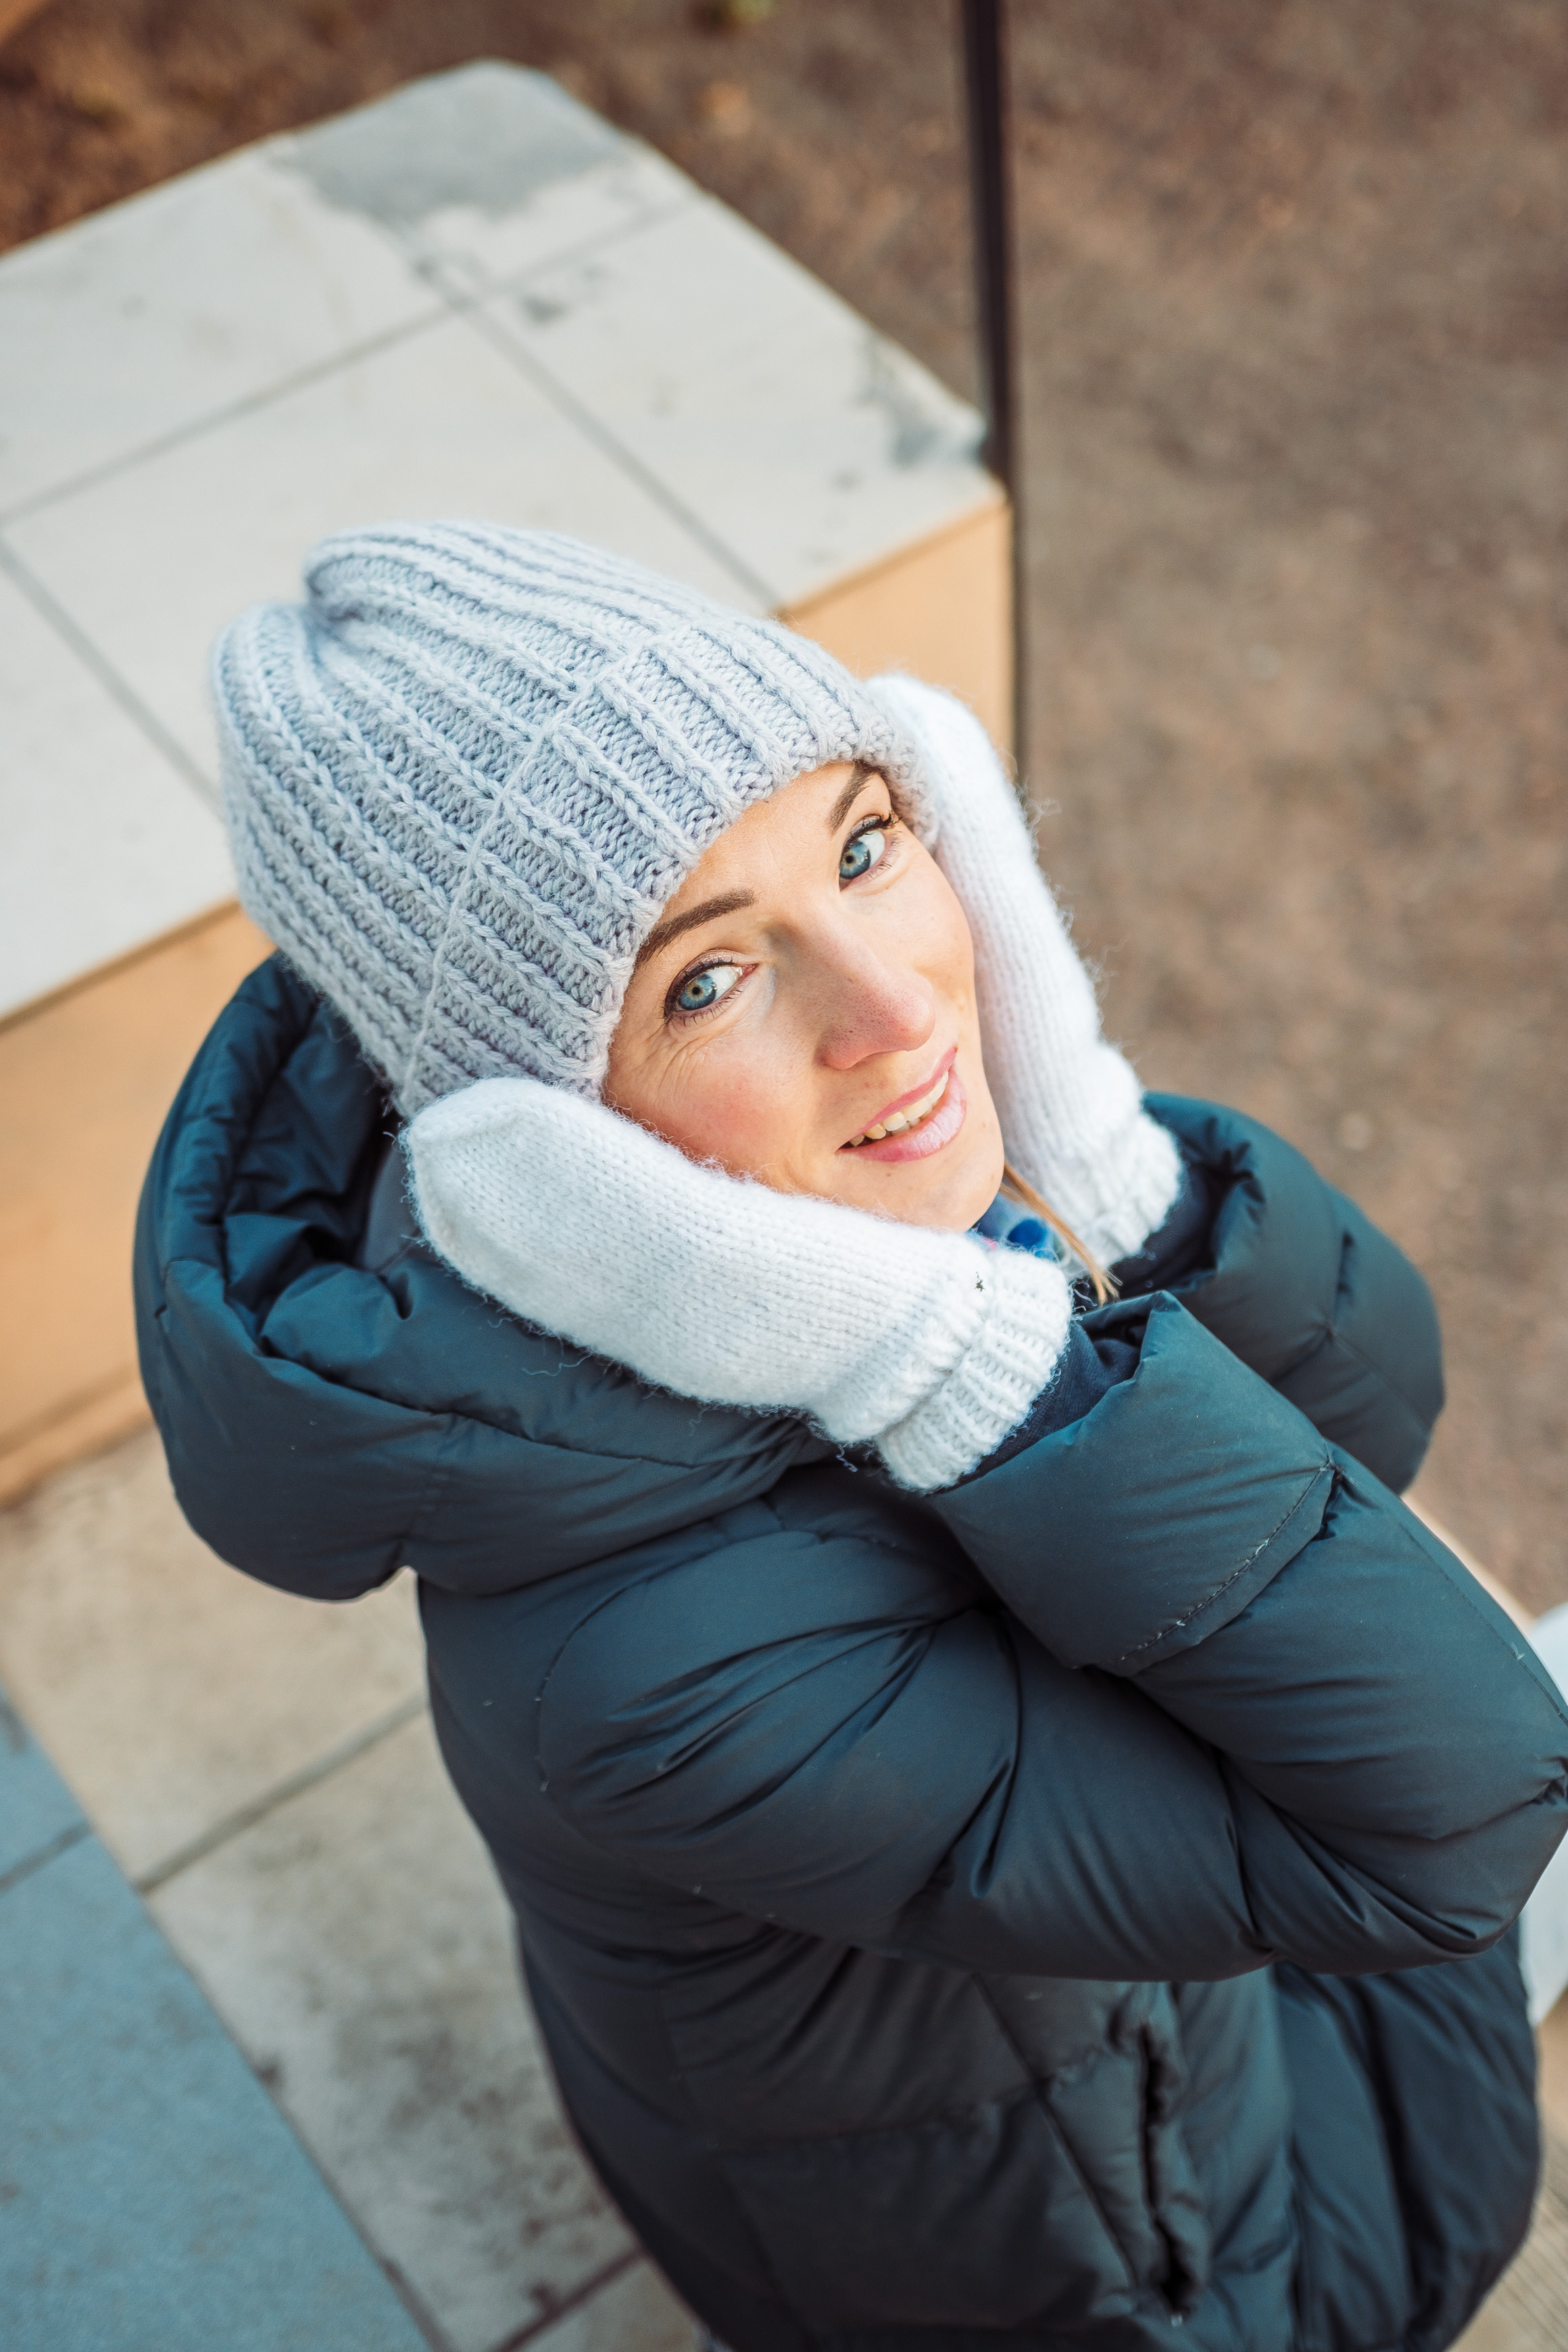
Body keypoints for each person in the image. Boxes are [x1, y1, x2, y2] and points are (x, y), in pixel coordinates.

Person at [135, 522, 1568, 2352]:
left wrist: (1111, 1169)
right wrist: (973, 1357)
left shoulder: (798, 1209)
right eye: (708, 979)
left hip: (1163, 2056)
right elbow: (1451, 1825)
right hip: (1108, 2267)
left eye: (870, 846)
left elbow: (1373, 1414)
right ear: (545, 1154)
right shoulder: (642, 1668)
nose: (900, 1011)